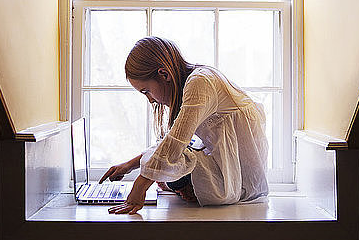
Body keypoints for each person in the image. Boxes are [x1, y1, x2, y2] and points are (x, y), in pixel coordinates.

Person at [100, 36, 269, 214]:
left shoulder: (200, 82)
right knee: (169, 163)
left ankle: (187, 187)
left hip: (239, 180)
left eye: (146, 91)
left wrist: (140, 186)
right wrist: (129, 165)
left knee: (174, 163)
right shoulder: (195, 79)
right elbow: (172, 140)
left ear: (164, 74)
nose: (150, 100)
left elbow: (176, 141)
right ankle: (186, 187)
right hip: (228, 167)